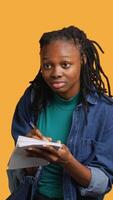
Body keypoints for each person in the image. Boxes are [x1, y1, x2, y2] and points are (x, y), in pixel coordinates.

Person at [8, 26, 113, 200]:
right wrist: (29, 155)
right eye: (47, 65)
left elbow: (103, 184)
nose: (56, 73)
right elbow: (20, 175)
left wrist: (68, 162)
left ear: (83, 60)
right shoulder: (33, 98)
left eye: (65, 65)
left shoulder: (106, 112)